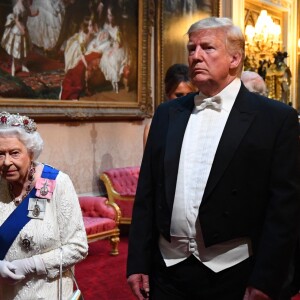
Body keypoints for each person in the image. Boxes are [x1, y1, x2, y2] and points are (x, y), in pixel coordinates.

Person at [127, 17, 300, 300]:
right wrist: (137, 262)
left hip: (235, 272)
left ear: (235, 58)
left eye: (207, 48)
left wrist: (267, 280)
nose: (195, 56)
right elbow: (146, 193)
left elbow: (284, 209)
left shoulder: (275, 118)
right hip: (167, 271)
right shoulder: (167, 114)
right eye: (191, 48)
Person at [0, 111, 88, 299]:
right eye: (0, 154)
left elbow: (78, 247)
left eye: (14, 153)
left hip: (49, 293)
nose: (6, 162)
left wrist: (31, 265)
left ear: (31, 152)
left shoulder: (58, 183)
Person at [143, 63, 197, 148]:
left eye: (189, 95)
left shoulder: (199, 122)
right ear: (168, 94)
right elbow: (150, 160)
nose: (185, 99)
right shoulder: (153, 127)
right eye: (179, 95)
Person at [1, 0, 39, 76]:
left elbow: (28, 13)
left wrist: (34, 14)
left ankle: (23, 65)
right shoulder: (17, 7)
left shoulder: (25, 3)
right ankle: (13, 67)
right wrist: (22, 29)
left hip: (24, 29)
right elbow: (17, 20)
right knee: (16, 51)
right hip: (18, 31)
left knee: (24, 49)